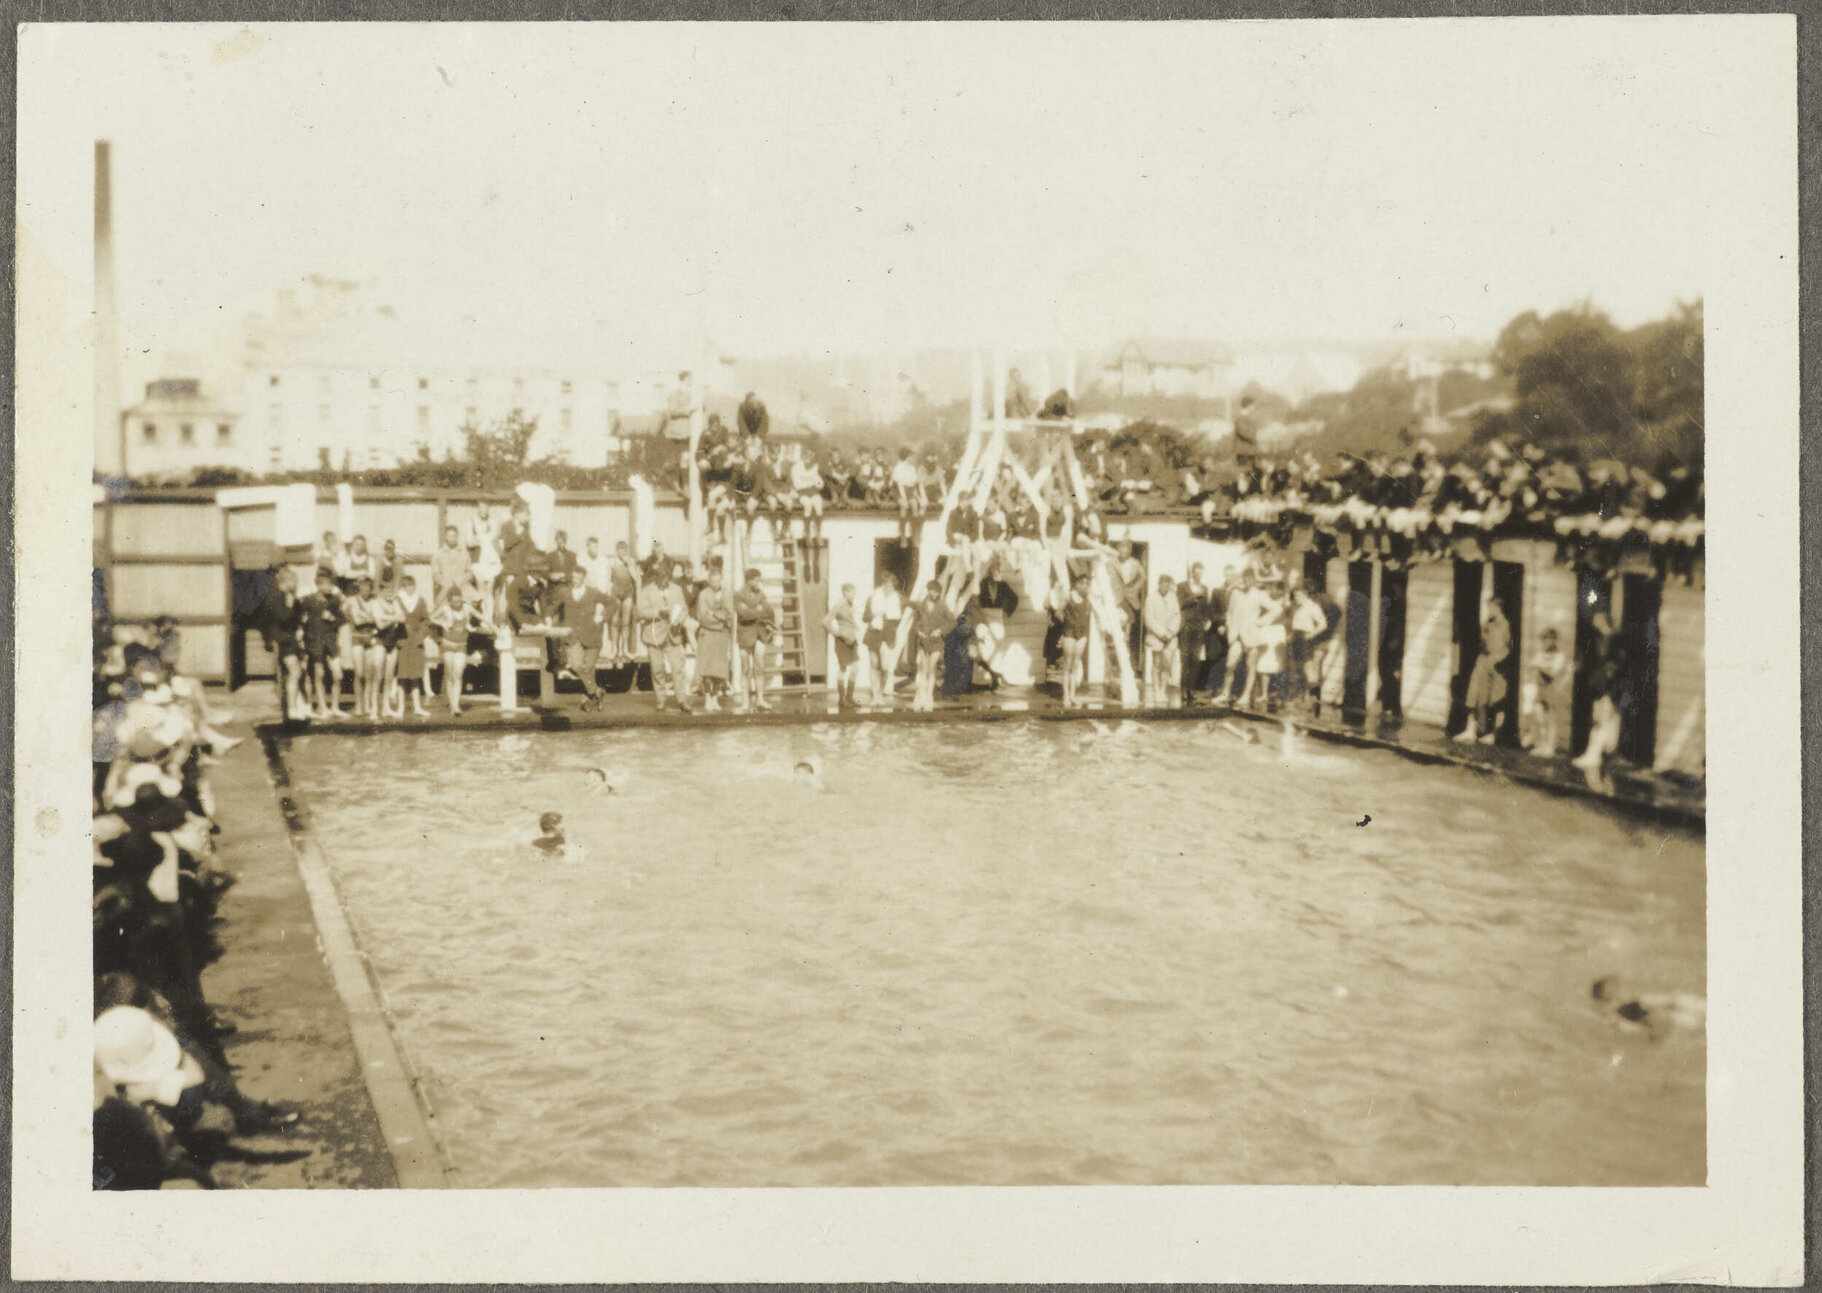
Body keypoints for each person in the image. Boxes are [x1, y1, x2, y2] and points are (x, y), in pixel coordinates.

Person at [636, 561, 692, 714]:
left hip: (673, 634)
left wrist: (679, 620)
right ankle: (660, 700)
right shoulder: (647, 591)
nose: (664, 579)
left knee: (678, 668)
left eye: (666, 576)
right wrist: (659, 611)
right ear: (656, 577)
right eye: (660, 577)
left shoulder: (677, 589)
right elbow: (640, 612)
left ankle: (682, 700)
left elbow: (684, 609)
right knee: (657, 669)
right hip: (654, 635)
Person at [1456, 596, 1512, 744]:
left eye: (1492, 607)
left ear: (1499, 608)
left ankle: (1495, 734)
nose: (1489, 610)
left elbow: (1510, 648)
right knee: (1476, 695)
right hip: (1485, 660)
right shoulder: (1488, 624)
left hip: (1499, 664)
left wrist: (1500, 660)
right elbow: (1483, 643)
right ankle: (1472, 730)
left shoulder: (1506, 625)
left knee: (1497, 699)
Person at [257, 567, 306, 720]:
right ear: (286, 582)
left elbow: (298, 618)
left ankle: (294, 706)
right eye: (295, 581)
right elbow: (282, 618)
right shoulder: (275, 597)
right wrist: (269, 641)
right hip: (282, 641)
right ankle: (290, 709)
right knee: (293, 672)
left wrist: (299, 628)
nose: (297, 584)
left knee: (293, 673)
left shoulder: (291, 597)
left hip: (291, 640)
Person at [298, 569, 345, 719]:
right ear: (318, 585)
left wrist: (332, 618)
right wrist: (300, 631)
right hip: (314, 641)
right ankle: (322, 707)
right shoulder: (308, 600)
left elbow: (343, 619)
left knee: (338, 675)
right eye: (326, 584)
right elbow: (299, 618)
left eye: (331, 584)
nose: (330, 587)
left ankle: (335, 707)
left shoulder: (334, 600)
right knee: (319, 675)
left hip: (331, 641)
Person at [563, 572, 610, 712]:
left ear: (583, 579)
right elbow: (552, 606)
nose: (575, 580)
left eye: (577, 578)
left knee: (588, 667)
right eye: (573, 578)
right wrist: (547, 616)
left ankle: (588, 699)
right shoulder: (565, 593)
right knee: (577, 666)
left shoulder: (593, 593)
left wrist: (602, 616)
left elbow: (612, 603)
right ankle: (597, 691)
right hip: (573, 637)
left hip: (591, 636)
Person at [1212, 568, 1259, 707]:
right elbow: (1230, 613)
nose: (1247, 582)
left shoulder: (1259, 594)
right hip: (1237, 635)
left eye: (1250, 579)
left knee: (1251, 667)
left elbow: (1276, 609)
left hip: (1252, 635)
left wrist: (1262, 622)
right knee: (1230, 665)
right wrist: (1230, 627)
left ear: (1254, 580)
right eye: (1245, 579)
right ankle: (1225, 694)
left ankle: (1246, 695)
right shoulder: (1236, 593)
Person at [429, 587, 479, 716]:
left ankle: (456, 706)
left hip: (461, 645)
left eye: (459, 600)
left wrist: (493, 627)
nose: (457, 603)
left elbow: (481, 616)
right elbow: (431, 617)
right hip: (448, 645)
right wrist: (442, 623)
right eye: (454, 601)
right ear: (450, 601)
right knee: (450, 674)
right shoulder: (446, 608)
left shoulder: (466, 608)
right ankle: (453, 706)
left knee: (458, 674)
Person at [733, 566, 776, 713]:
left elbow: (769, 610)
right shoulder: (738, 594)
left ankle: (760, 700)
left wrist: (758, 610)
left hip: (760, 634)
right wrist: (758, 610)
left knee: (760, 667)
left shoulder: (760, 593)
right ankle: (745, 703)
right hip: (745, 635)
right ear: (749, 580)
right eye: (756, 580)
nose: (759, 582)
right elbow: (743, 614)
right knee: (745, 669)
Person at [1521, 627, 1569, 755]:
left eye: (1549, 639)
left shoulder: (1559, 656)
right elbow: (1530, 669)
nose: (1546, 643)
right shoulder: (1540, 655)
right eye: (1544, 640)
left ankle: (1550, 746)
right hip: (1540, 690)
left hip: (1553, 691)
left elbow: (1553, 672)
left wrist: (1539, 667)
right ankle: (1541, 744)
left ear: (1555, 641)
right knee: (1539, 717)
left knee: (1551, 719)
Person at [692, 565, 734, 712]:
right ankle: (708, 698)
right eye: (713, 580)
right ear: (709, 581)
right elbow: (703, 617)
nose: (716, 583)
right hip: (708, 635)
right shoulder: (703, 594)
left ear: (721, 580)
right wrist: (720, 621)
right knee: (707, 670)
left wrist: (714, 614)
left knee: (719, 670)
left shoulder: (727, 594)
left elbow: (729, 615)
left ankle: (715, 698)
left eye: (718, 580)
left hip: (722, 636)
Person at [863, 571, 905, 705]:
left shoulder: (897, 598)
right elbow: (864, 617)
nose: (891, 588)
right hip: (874, 633)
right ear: (884, 585)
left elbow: (905, 611)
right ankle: (876, 695)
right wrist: (875, 614)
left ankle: (880, 689)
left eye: (893, 585)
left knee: (885, 667)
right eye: (889, 585)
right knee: (874, 665)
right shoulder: (873, 597)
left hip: (888, 635)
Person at [909, 578, 950, 712]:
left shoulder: (942, 606)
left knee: (932, 668)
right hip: (924, 641)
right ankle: (920, 695)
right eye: (933, 591)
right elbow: (915, 622)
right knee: (923, 668)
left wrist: (940, 630)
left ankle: (928, 697)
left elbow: (952, 621)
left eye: (937, 592)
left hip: (937, 642)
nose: (935, 594)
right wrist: (919, 632)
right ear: (929, 591)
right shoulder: (921, 605)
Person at [394, 575, 432, 718]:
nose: (410, 590)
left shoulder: (420, 600)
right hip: (403, 641)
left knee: (416, 675)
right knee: (402, 676)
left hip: (416, 641)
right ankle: (401, 708)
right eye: (407, 587)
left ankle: (417, 707)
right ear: (403, 588)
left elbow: (426, 619)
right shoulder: (397, 601)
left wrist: (421, 634)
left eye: (412, 587)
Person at [1176, 562, 1213, 705]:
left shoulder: (1204, 588)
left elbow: (1206, 607)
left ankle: (1191, 689)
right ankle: (1183, 689)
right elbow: (1179, 602)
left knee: (1195, 658)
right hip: (1185, 626)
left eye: (1200, 572)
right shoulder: (1182, 586)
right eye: (1196, 572)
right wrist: (1193, 597)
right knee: (1184, 657)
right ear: (1192, 572)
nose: (1198, 574)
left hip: (1198, 627)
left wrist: (1207, 620)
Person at [1142, 573, 1182, 707]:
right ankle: (1156, 690)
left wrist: (1170, 632)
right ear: (1159, 584)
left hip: (1170, 636)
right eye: (1163, 585)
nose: (1165, 588)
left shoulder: (1173, 598)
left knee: (1167, 664)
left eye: (1167, 585)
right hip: (1156, 636)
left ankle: (1163, 690)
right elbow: (1149, 619)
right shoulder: (1151, 598)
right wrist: (1161, 633)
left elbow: (1177, 617)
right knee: (1157, 664)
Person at [824, 582, 863, 709]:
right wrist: (837, 634)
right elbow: (825, 621)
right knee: (843, 669)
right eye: (852, 593)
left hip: (852, 641)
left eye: (855, 593)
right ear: (845, 592)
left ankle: (849, 697)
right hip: (842, 642)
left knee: (855, 668)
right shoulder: (839, 605)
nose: (854, 596)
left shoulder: (851, 605)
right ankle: (842, 699)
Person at [1058, 569, 1093, 708]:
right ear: (1077, 584)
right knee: (1067, 664)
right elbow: (1058, 611)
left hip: (1081, 634)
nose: (1085, 586)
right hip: (1069, 632)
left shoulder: (1088, 599)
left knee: (1076, 665)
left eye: (1087, 583)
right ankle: (1065, 696)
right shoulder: (1068, 596)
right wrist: (1066, 623)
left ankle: (1072, 696)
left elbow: (1087, 613)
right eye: (1082, 583)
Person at [609, 541, 640, 664]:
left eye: (624, 549)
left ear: (626, 550)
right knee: (615, 621)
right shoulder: (612, 562)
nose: (621, 552)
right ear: (616, 551)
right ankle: (614, 648)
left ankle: (625, 649)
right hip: (616, 593)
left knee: (626, 622)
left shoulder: (631, 561)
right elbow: (609, 580)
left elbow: (636, 578)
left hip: (628, 594)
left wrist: (630, 565)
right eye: (619, 549)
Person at [431, 525, 470, 607]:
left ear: (457, 537)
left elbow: (470, 572)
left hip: (461, 585)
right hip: (445, 586)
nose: (452, 538)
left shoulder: (464, 553)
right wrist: (445, 582)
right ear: (445, 537)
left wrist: (462, 580)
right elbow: (435, 574)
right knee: (441, 605)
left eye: (454, 536)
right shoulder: (438, 554)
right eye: (449, 536)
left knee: (474, 601)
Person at [889, 448, 921, 543]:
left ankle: (915, 532)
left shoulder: (912, 468)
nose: (912, 458)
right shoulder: (898, 468)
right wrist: (904, 498)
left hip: (909, 490)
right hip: (898, 490)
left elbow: (913, 484)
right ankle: (902, 534)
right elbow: (900, 485)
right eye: (910, 456)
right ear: (905, 457)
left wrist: (915, 496)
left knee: (914, 505)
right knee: (904, 506)